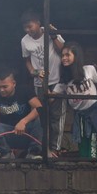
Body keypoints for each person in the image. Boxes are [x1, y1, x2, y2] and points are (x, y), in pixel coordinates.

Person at [58, 43, 97, 157]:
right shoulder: (64, 79)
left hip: (94, 111)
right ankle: (84, 165)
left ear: (76, 56)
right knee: (82, 141)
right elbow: (51, 95)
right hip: (79, 115)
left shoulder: (89, 69)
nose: (64, 58)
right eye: (62, 55)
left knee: (95, 138)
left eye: (67, 55)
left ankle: (94, 165)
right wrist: (43, 80)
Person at [20, 10, 65, 150]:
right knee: (40, 116)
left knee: (56, 117)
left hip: (57, 80)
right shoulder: (24, 41)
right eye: (25, 27)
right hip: (39, 83)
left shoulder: (50, 32)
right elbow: (27, 60)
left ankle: (55, 149)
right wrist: (34, 72)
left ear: (38, 23)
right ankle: (41, 147)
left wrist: (53, 36)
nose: (28, 30)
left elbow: (63, 51)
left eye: (30, 26)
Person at [0, 68, 44, 159]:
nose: (1, 90)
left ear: (13, 84)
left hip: (26, 132)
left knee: (39, 121)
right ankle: (6, 153)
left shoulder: (24, 90)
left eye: (5, 87)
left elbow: (39, 108)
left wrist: (23, 122)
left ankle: (33, 153)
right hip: (7, 134)